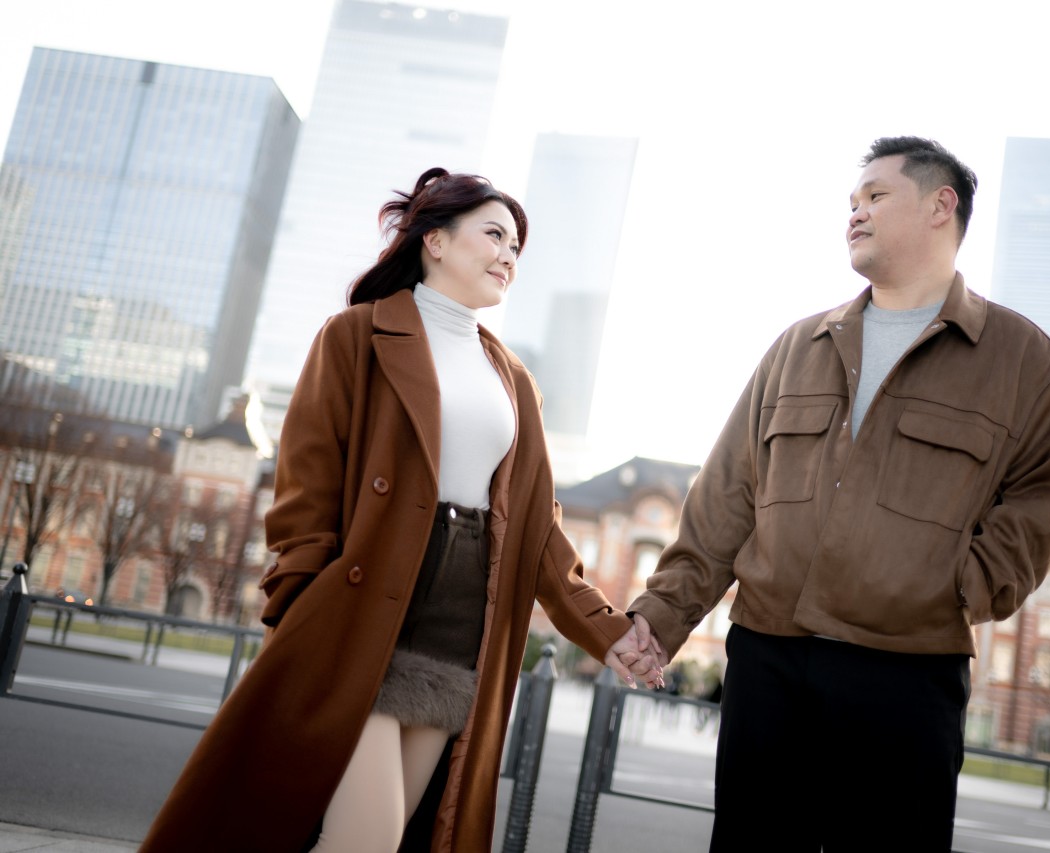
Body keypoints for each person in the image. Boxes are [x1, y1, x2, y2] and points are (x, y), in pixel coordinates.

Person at [141, 168, 662, 853]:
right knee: (369, 834)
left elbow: (539, 534)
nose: (509, 255)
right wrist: (299, 600)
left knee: (396, 840)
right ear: (435, 240)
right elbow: (307, 487)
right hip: (360, 616)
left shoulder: (514, 381)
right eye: (494, 235)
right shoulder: (355, 336)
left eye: (517, 246)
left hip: (459, 629)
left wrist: (609, 631)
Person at [629, 137, 1050, 851]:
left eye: (875, 196)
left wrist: (960, 589)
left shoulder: (1025, 362)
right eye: (851, 201)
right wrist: (660, 618)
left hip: (907, 673)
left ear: (941, 206)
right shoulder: (798, 347)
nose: (855, 212)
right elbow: (725, 498)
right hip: (769, 662)